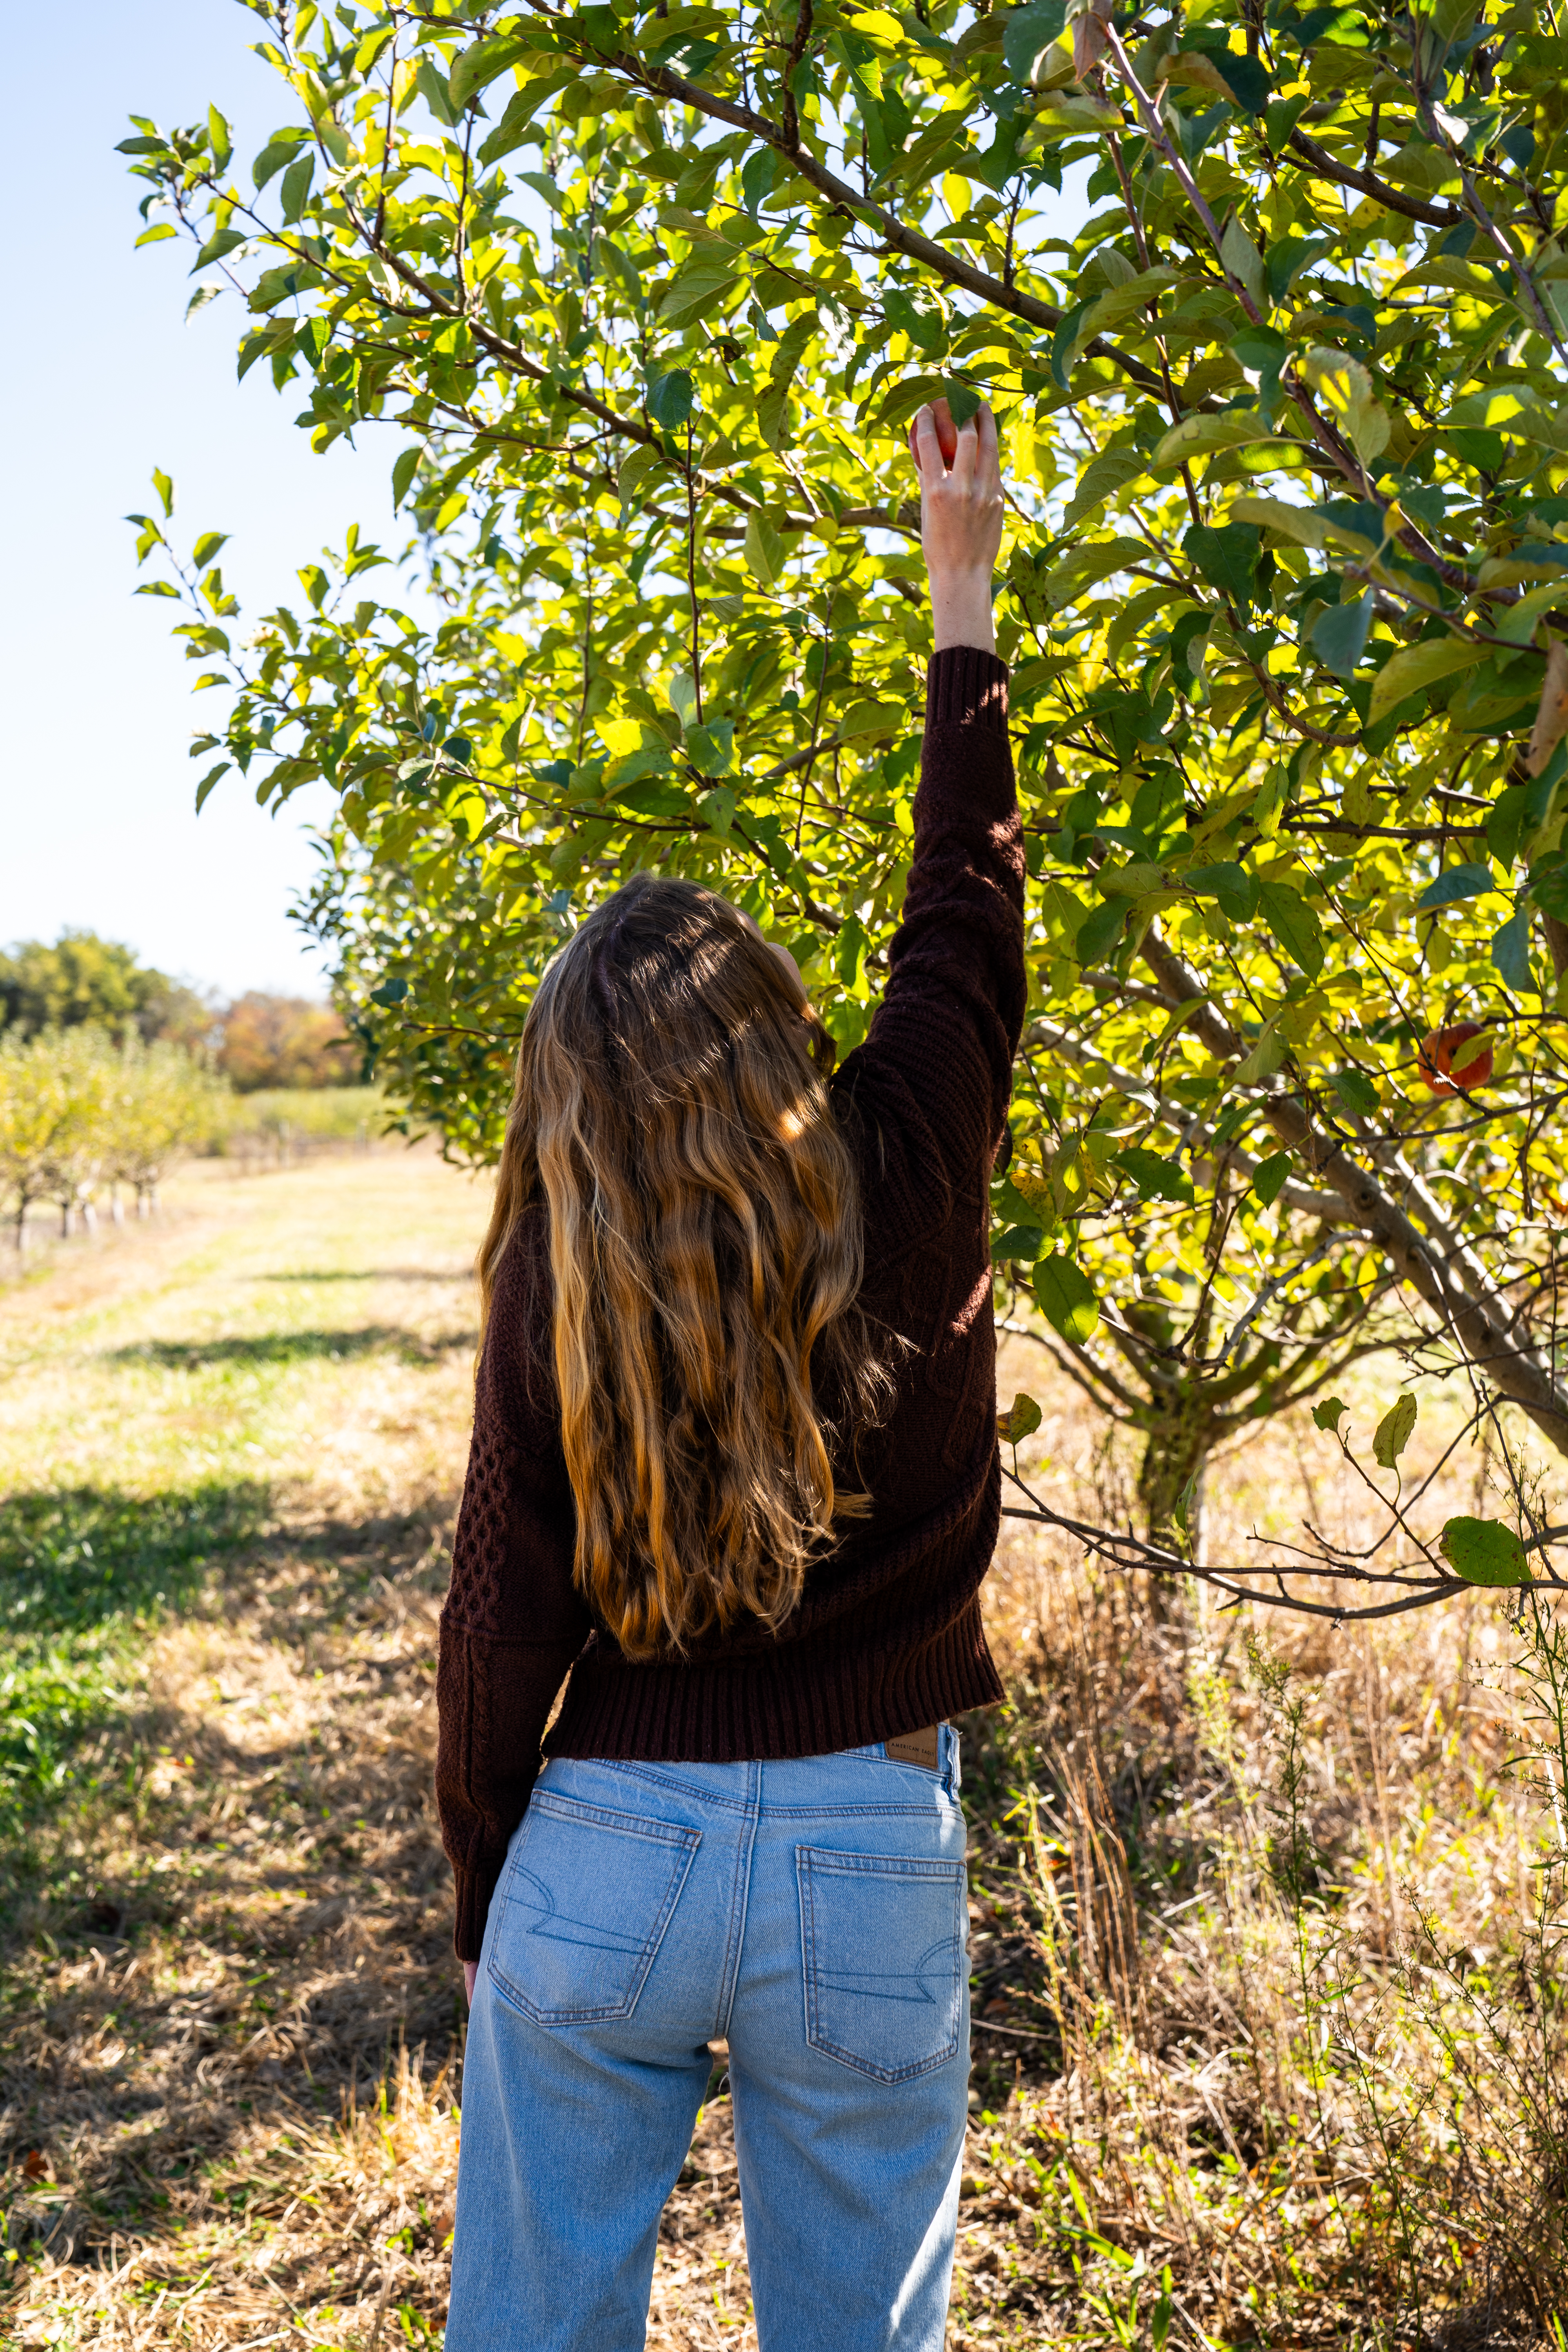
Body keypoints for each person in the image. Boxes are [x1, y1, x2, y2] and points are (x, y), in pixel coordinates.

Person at [438, 399, 1023, 2352]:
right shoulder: (914, 1166)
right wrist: (961, 598)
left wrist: (488, 1900)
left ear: (569, 1107)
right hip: (870, 1843)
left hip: (605, 1843)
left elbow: (498, 1614)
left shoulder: (559, 1278)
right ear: (781, 1026)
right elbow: (965, 918)